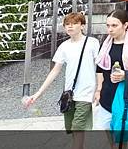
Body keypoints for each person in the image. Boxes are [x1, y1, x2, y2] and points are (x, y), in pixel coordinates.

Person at [24, 13, 99, 149]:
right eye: (67, 24)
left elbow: (100, 67)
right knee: (72, 128)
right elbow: (55, 71)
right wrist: (38, 94)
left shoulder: (92, 43)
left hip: (86, 93)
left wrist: (99, 89)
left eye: (74, 23)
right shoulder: (64, 46)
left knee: (78, 126)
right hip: (69, 94)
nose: (70, 26)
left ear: (82, 26)